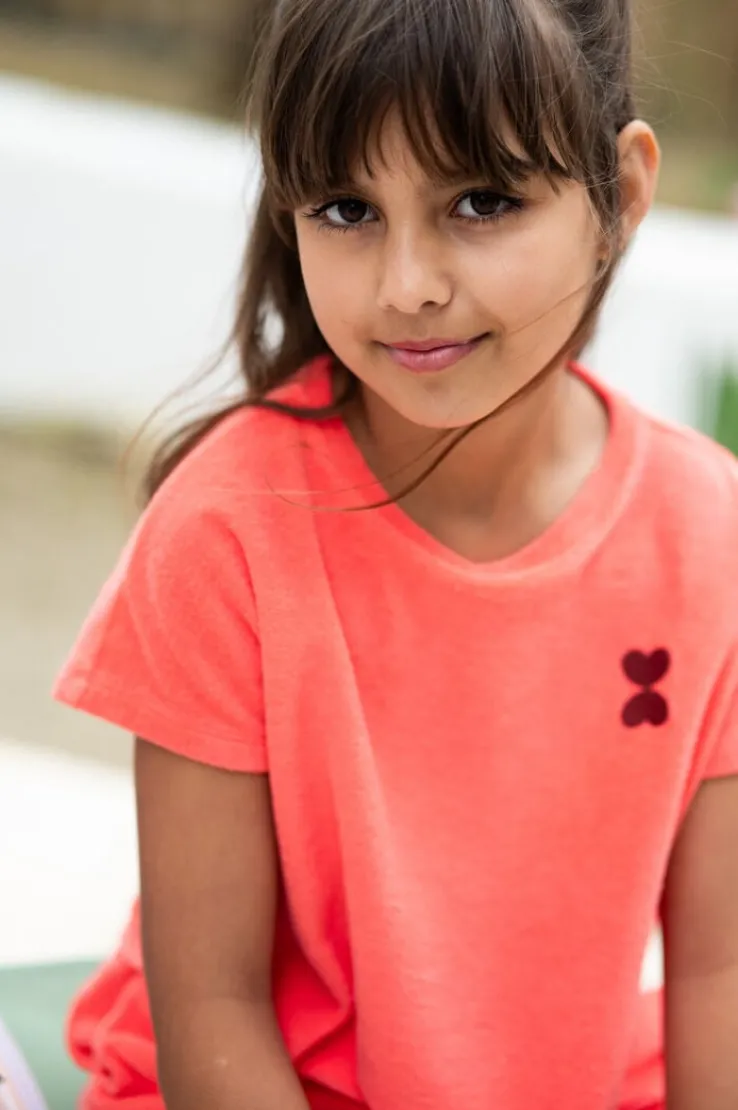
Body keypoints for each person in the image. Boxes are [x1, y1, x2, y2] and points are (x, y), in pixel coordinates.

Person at [53, 0, 738, 1107]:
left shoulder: (712, 539)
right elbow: (213, 1006)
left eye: (482, 202)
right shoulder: (228, 532)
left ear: (619, 196)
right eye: (347, 210)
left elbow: (719, 973)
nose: (407, 283)